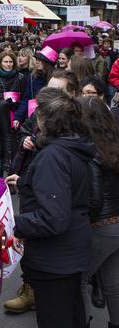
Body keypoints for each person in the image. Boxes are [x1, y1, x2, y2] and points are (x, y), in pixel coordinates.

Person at [6, 87, 94, 328]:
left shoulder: (53, 155)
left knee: (57, 318)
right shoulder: (71, 147)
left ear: (46, 119)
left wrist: (14, 223)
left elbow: (53, 217)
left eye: (37, 113)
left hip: (55, 259)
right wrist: (26, 182)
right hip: (70, 253)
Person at [78, 96, 119, 328]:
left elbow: (94, 198)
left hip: (101, 224)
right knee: (113, 283)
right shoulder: (113, 144)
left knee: (80, 280)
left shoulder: (91, 150)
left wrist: (89, 221)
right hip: (116, 224)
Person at [13, 46, 57, 129]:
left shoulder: (55, 79)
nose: (37, 62)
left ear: (47, 63)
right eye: (37, 59)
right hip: (34, 115)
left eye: (40, 60)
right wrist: (18, 117)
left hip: (52, 117)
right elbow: (26, 99)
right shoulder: (33, 77)